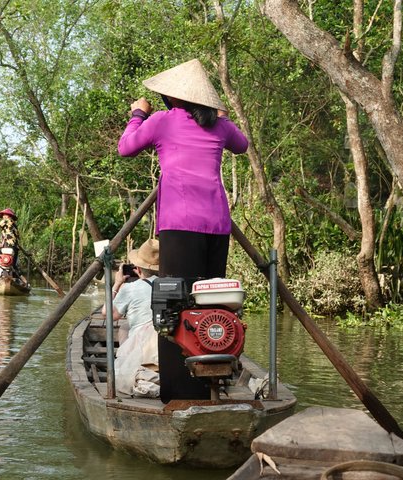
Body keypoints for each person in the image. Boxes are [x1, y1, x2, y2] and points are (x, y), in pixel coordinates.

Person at [117, 58, 249, 402]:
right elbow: (242, 145)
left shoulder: (162, 121)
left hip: (180, 224)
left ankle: (178, 393)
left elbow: (125, 147)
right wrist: (223, 117)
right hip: (217, 225)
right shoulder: (219, 127)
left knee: (172, 306)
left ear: (171, 98)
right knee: (210, 305)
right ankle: (210, 387)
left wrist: (137, 114)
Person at [101, 239, 160, 397]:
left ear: (138, 269)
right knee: (126, 327)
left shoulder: (130, 288)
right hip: (164, 337)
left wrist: (117, 283)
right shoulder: (172, 285)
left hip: (143, 344)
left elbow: (107, 313)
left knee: (124, 327)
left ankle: (128, 362)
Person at [0, 208, 20, 273]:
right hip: (15, 244)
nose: (4, 216)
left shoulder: (7, 220)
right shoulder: (14, 223)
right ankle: (14, 270)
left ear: (9, 216)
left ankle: (2, 268)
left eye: (5, 215)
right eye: (3, 215)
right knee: (13, 261)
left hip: (8, 243)